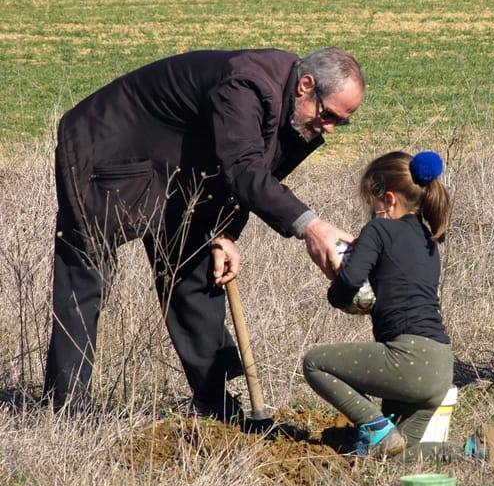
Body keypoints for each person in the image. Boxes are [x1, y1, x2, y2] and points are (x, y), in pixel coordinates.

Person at [46, 47, 363, 419]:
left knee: (196, 270)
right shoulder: (249, 86)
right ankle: (68, 408)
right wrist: (312, 226)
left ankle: (216, 404)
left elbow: (253, 168)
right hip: (104, 150)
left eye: (339, 123)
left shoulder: (295, 113)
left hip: (173, 168)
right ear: (305, 85)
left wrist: (225, 232)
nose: (328, 128)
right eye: (328, 116)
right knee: (85, 273)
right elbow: (243, 168)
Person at [302, 150, 454, 458]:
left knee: (314, 363)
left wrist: (337, 294)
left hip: (409, 360)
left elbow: (350, 282)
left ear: (388, 198)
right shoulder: (428, 242)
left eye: (371, 204)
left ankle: (375, 427)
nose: (370, 212)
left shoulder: (379, 229)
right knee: (394, 458)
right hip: (440, 366)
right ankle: (465, 452)